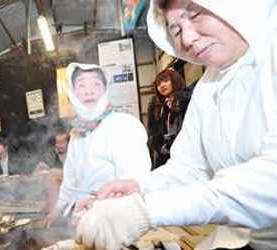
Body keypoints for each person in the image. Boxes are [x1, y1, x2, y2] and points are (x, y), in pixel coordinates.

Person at [74, 0, 277, 250]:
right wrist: (138, 189)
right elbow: (190, 167)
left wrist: (146, 210)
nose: (188, 38)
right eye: (176, 30)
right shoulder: (208, 85)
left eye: (197, 14)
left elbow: (271, 179)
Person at [44, 62, 151, 226]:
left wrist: (97, 204)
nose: (89, 90)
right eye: (81, 85)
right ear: (72, 93)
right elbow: (70, 180)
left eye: (96, 83)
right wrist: (57, 210)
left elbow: (133, 184)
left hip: (116, 220)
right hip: (81, 218)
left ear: (105, 90)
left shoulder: (124, 125)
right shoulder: (76, 133)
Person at [147, 67, 191, 168]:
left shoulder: (188, 98)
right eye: (158, 84)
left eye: (166, 81)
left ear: (175, 80)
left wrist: (180, 98)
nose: (162, 85)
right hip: (165, 158)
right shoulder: (155, 105)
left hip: (187, 155)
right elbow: (152, 133)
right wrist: (162, 148)